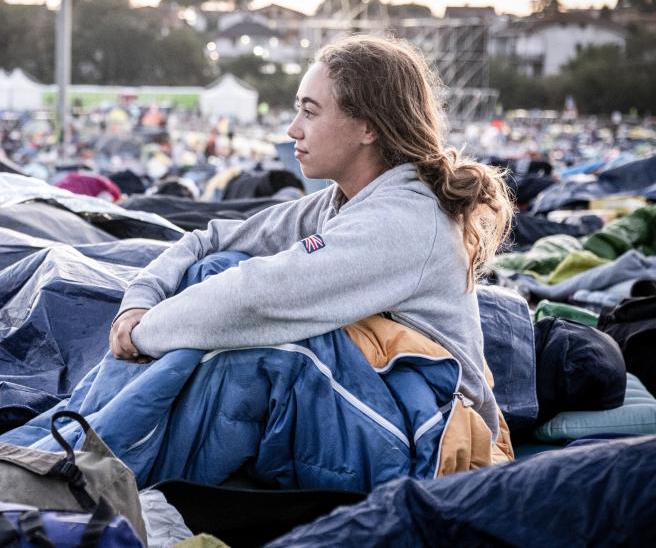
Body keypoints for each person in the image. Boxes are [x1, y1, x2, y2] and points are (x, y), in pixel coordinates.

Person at [109, 35, 513, 438]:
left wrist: (144, 335)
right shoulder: (341, 201)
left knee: (271, 351)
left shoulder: (403, 223)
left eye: (309, 112)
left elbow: (258, 298)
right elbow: (211, 240)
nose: (293, 129)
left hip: (439, 437)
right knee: (216, 269)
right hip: (390, 415)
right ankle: (94, 438)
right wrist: (140, 302)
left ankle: (101, 447)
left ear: (368, 127)